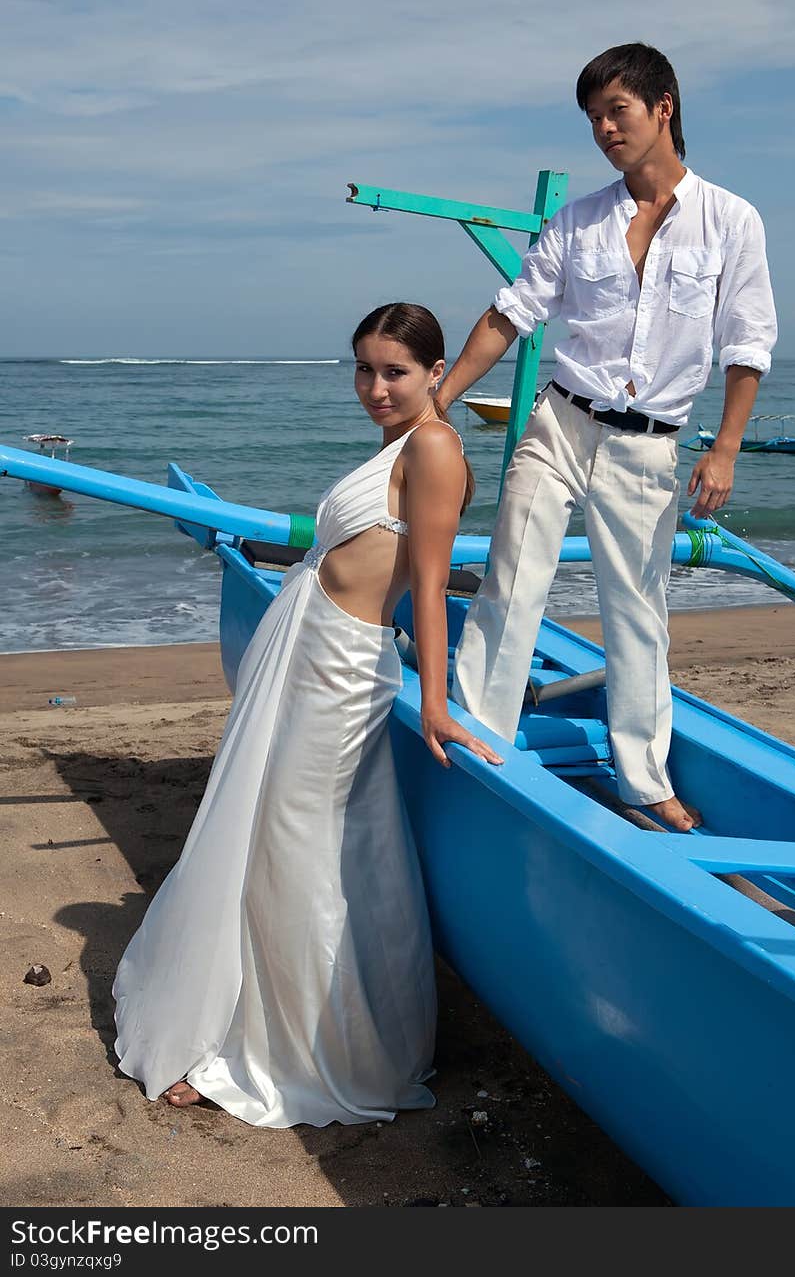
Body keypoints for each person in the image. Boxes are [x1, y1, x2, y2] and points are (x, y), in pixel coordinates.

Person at [113, 302, 501, 1128]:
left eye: (394, 371)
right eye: (364, 368)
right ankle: (266, 1027)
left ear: (437, 373)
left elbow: (429, 584)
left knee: (302, 848)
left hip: (341, 670)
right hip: (305, 653)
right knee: (284, 843)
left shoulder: (434, 446)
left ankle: (296, 1053)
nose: (375, 387)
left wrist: (433, 700)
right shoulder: (401, 442)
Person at [438, 42, 777, 833]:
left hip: (649, 444)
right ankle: (477, 742)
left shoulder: (731, 219)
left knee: (636, 611)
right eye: (593, 117)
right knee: (511, 579)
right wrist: (443, 401)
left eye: (616, 111)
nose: (603, 129)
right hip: (561, 421)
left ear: (664, 107)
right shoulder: (580, 218)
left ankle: (643, 779)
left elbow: (748, 343)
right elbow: (512, 312)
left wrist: (724, 447)